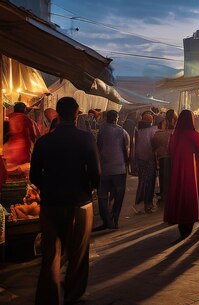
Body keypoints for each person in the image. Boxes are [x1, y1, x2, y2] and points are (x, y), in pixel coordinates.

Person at [30, 97, 100, 305]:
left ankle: (47, 298)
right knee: (78, 253)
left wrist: (50, 187)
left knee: (50, 254)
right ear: (77, 113)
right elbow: (96, 173)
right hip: (79, 203)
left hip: (51, 205)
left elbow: (34, 176)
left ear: (58, 115)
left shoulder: (44, 141)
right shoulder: (86, 139)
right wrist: (89, 188)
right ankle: (73, 295)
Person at [164, 110, 199, 242]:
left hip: (177, 170)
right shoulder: (195, 135)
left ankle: (180, 222)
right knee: (191, 193)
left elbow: (169, 150)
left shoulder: (174, 135)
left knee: (178, 192)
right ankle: (189, 223)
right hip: (191, 170)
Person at [95, 110, 130, 231]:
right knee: (118, 195)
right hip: (119, 168)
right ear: (116, 118)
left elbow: (98, 146)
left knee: (102, 195)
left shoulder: (101, 130)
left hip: (105, 168)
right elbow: (126, 149)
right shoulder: (122, 131)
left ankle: (106, 220)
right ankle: (114, 219)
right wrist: (127, 165)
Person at [133, 113, 158, 213]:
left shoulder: (138, 131)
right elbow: (154, 145)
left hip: (140, 160)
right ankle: (147, 204)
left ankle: (140, 203)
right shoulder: (152, 130)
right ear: (150, 121)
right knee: (150, 182)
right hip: (149, 160)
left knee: (142, 182)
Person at [152, 109, 177, 204]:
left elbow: (154, 144)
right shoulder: (175, 132)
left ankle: (164, 195)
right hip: (171, 157)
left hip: (163, 156)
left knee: (163, 176)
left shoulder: (161, 132)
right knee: (170, 176)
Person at [4, 102, 37, 166]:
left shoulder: (8, 117)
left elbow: (4, 132)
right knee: (21, 167)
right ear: (24, 109)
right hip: (22, 146)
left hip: (9, 145)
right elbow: (32, 133)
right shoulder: (25, 118)